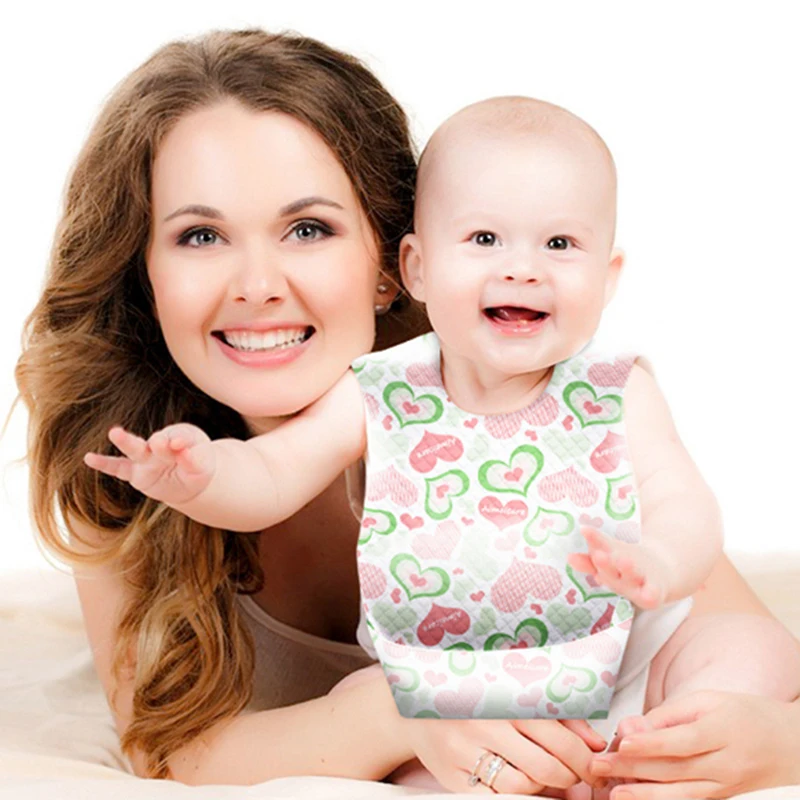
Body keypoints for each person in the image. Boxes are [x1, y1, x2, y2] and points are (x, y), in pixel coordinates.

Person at [15, 28, 800, 796]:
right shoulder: (122, 456)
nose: (257, 286)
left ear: (393, 265)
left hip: (612, 691)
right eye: (199, 235)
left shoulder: (517, 390)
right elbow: (167, 749)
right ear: (143, 271)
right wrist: (398, 715)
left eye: (308, 228)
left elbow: (719, 613)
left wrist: (772, 742)